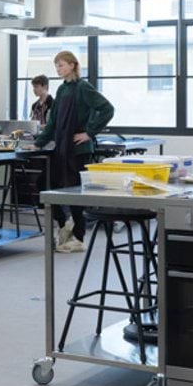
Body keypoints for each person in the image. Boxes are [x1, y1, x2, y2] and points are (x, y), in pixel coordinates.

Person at [34, 50, 114, 253]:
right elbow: (52, 122)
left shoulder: (83, 87)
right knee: (45, 184)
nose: (58, 69)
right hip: (61, 148)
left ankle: (78, 237)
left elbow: (107, 108)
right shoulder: (61, 90)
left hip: (78, 150)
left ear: (72, 65)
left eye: (61, 65)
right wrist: (38, 143)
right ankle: (64, 225)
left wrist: (89, 132)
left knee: (75, 193)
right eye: (56, 66)